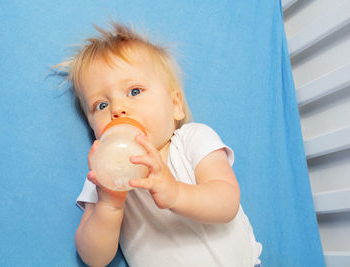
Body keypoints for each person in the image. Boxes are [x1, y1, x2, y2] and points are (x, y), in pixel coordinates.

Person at [55, 21, 262, 267]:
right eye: (101, 105)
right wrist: (109, 205)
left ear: (175, 105)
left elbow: (227, 202)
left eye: (134, 91)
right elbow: (94, 258)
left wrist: (175, 193)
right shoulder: (103, 177)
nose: (118, 109)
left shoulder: (192, 139)